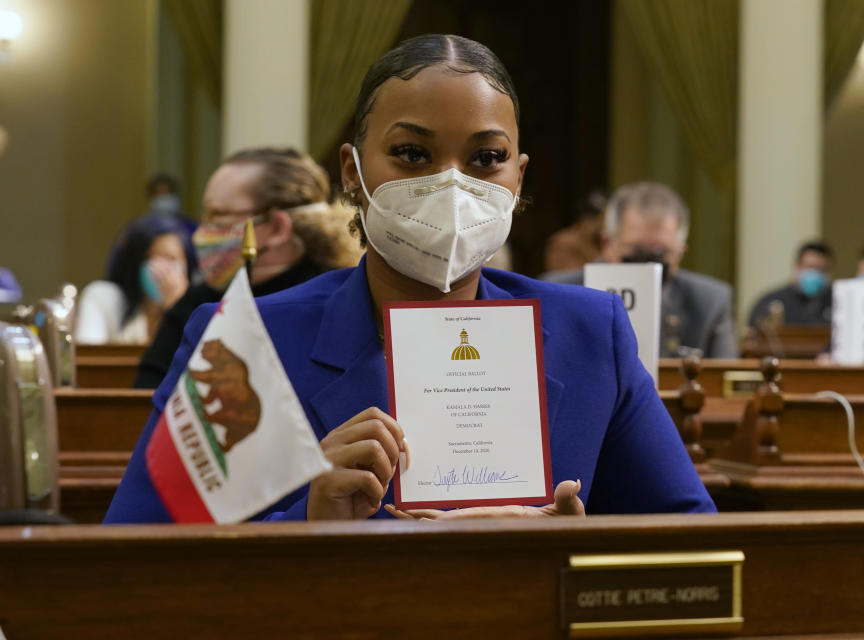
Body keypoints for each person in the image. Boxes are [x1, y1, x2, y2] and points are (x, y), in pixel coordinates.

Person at [104, 34, 715, 524]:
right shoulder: (245, 341)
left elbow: (694, 551)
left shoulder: (590, 334)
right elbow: (139, 566)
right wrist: (309, 522)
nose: (451, 183)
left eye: (486, 159)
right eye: (413, 154)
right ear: (352, 169)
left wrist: (571, 552)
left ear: (519, 178)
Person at [133, 147, 363, 388]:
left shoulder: (341, 301)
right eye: (206, 215)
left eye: (218, 216)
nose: (201, 232)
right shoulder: (197, 303)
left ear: (276, 228)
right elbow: (146, 400)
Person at [543, 182, 737, 358]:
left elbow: (723, 384)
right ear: (607, 243)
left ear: (681, 251)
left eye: (661, 252)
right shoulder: (558, 292)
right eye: (636, 250)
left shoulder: (710, 302)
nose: (648, 263)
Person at [75, 216, 194, 345]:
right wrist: (152, 315)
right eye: (151, 258)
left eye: (171, 258)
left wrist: (178, 310)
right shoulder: (102, 296)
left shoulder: (202, 306)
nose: (161, 269)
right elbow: (90, 356)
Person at [748, 241, 834, 329]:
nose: (815, 274)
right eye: (810, 267)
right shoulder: (771, 302)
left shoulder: (835, 303)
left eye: (822, 269)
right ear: (797, 267)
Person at [542, 190, 606, 272]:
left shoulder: (601, 240)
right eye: (603, 219)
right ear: (586, 219)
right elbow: (567, 277)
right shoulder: (563, 243)